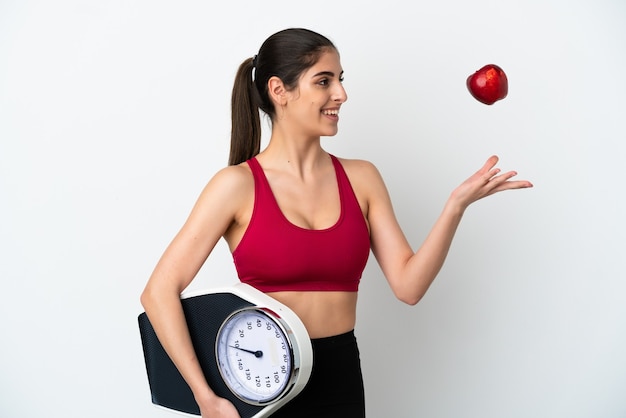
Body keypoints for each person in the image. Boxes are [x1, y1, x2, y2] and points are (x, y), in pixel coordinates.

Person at [140, 27, 533, 418]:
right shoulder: (236, 185)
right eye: (324, 81)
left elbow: (408, 287)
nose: (340, 94)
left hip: (341, 379)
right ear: (279, 91)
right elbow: (158, 292)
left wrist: (455, 206)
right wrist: (204, 396)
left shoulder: (362, 178)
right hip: (259, 388)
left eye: (340, 80)